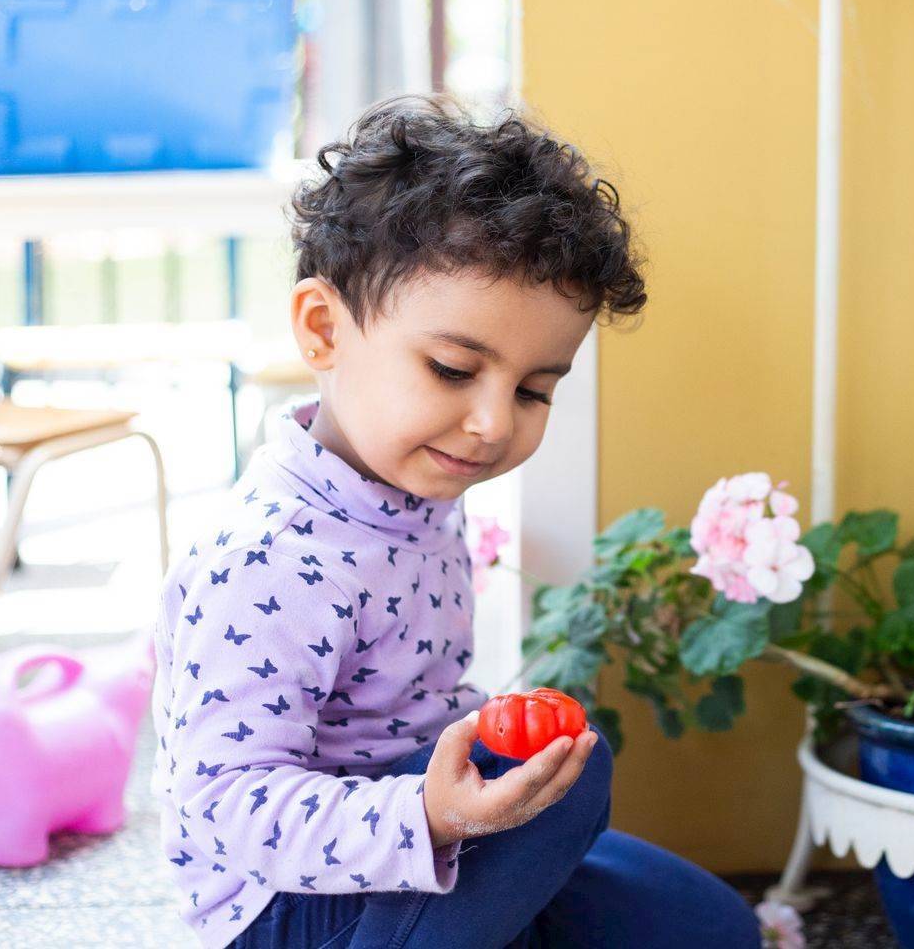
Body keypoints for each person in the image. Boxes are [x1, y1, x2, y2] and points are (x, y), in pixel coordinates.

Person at [149, 94, 762, 949]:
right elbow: (221, 808)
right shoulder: (270, 559)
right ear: (324, 330)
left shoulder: (412, 492)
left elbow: (406, 708)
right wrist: (429, 813)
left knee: (707, 923)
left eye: (533, 389)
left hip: (414, 843)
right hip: (286, 907)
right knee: (578, 775)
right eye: (451, 369)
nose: (491, 422)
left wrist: (471, 778)